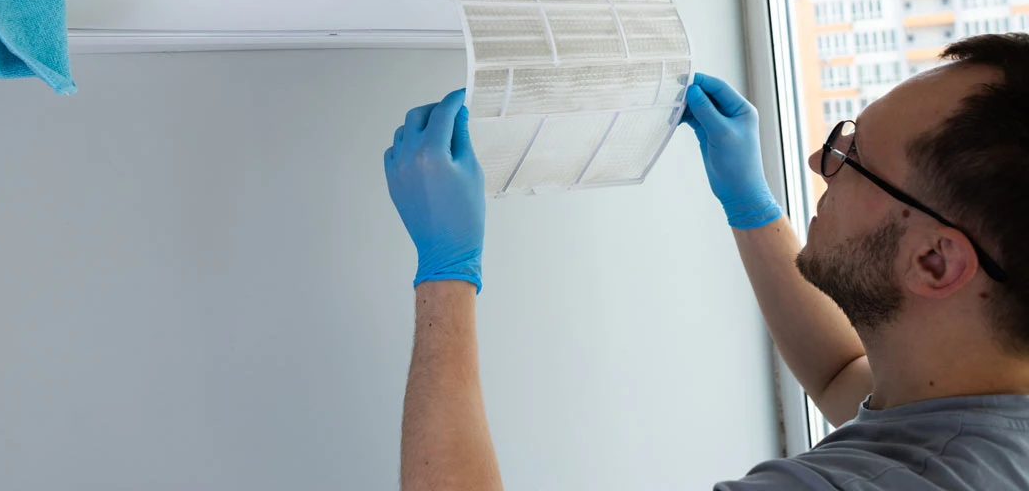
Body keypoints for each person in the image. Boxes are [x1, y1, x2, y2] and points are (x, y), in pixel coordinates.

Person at [383, 33, 1029, 490]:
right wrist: (750, 206)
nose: (819, 165)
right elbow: (842, 376)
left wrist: (447, 270)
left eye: (852, 158)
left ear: (938, 264)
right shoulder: (982, 402)